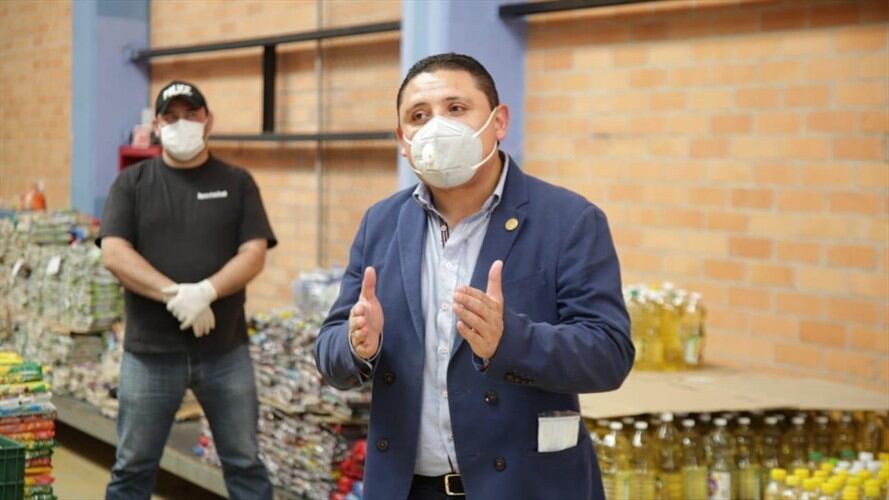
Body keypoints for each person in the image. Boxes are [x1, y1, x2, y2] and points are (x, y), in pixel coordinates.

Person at [315, 53, 634, 499]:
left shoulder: (568, 220)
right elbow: (328, 348)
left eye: (456, 108)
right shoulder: (382, 223)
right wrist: (355, 346)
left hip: (525, 487)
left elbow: (609, 355)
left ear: (498, 122)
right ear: (403, 141)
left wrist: (511, 341)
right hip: (408, 488)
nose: (437, 126)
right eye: (419, 116)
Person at [99, 80, 276, 500]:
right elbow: (114, 252)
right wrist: (175, 295)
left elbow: (254, 253)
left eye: (191, 115)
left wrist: (207, 292)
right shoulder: (132, 183)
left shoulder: (237, 182)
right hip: (149, 355)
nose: (182, 124)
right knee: (132, 468)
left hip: (225, 352)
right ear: (157, 126)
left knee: (245, 464)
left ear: (208, 121)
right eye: (171, 117)